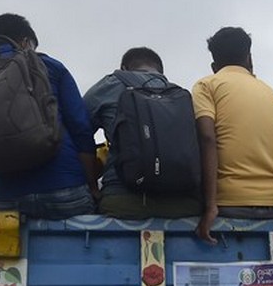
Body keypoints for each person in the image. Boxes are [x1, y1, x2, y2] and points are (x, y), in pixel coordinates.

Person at [0, 13, 97, 219]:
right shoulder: (51, 67)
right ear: (25, 42)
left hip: (4, 198)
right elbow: (80, 128)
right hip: (64, 187)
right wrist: (93, 186)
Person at [191, 27, 273, 243]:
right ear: (249, 59)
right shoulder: (272, 94)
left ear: (214, 66)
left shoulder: (206, 86)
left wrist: (210, 205)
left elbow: (207, 138)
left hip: (229, 203)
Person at [83, 47, 201, 219]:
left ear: (124, 68)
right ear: (160, 72)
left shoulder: (109, 85)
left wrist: (93, 186)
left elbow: (77, 131)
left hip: (122, 201)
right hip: (182, 204)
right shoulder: (181, 95)